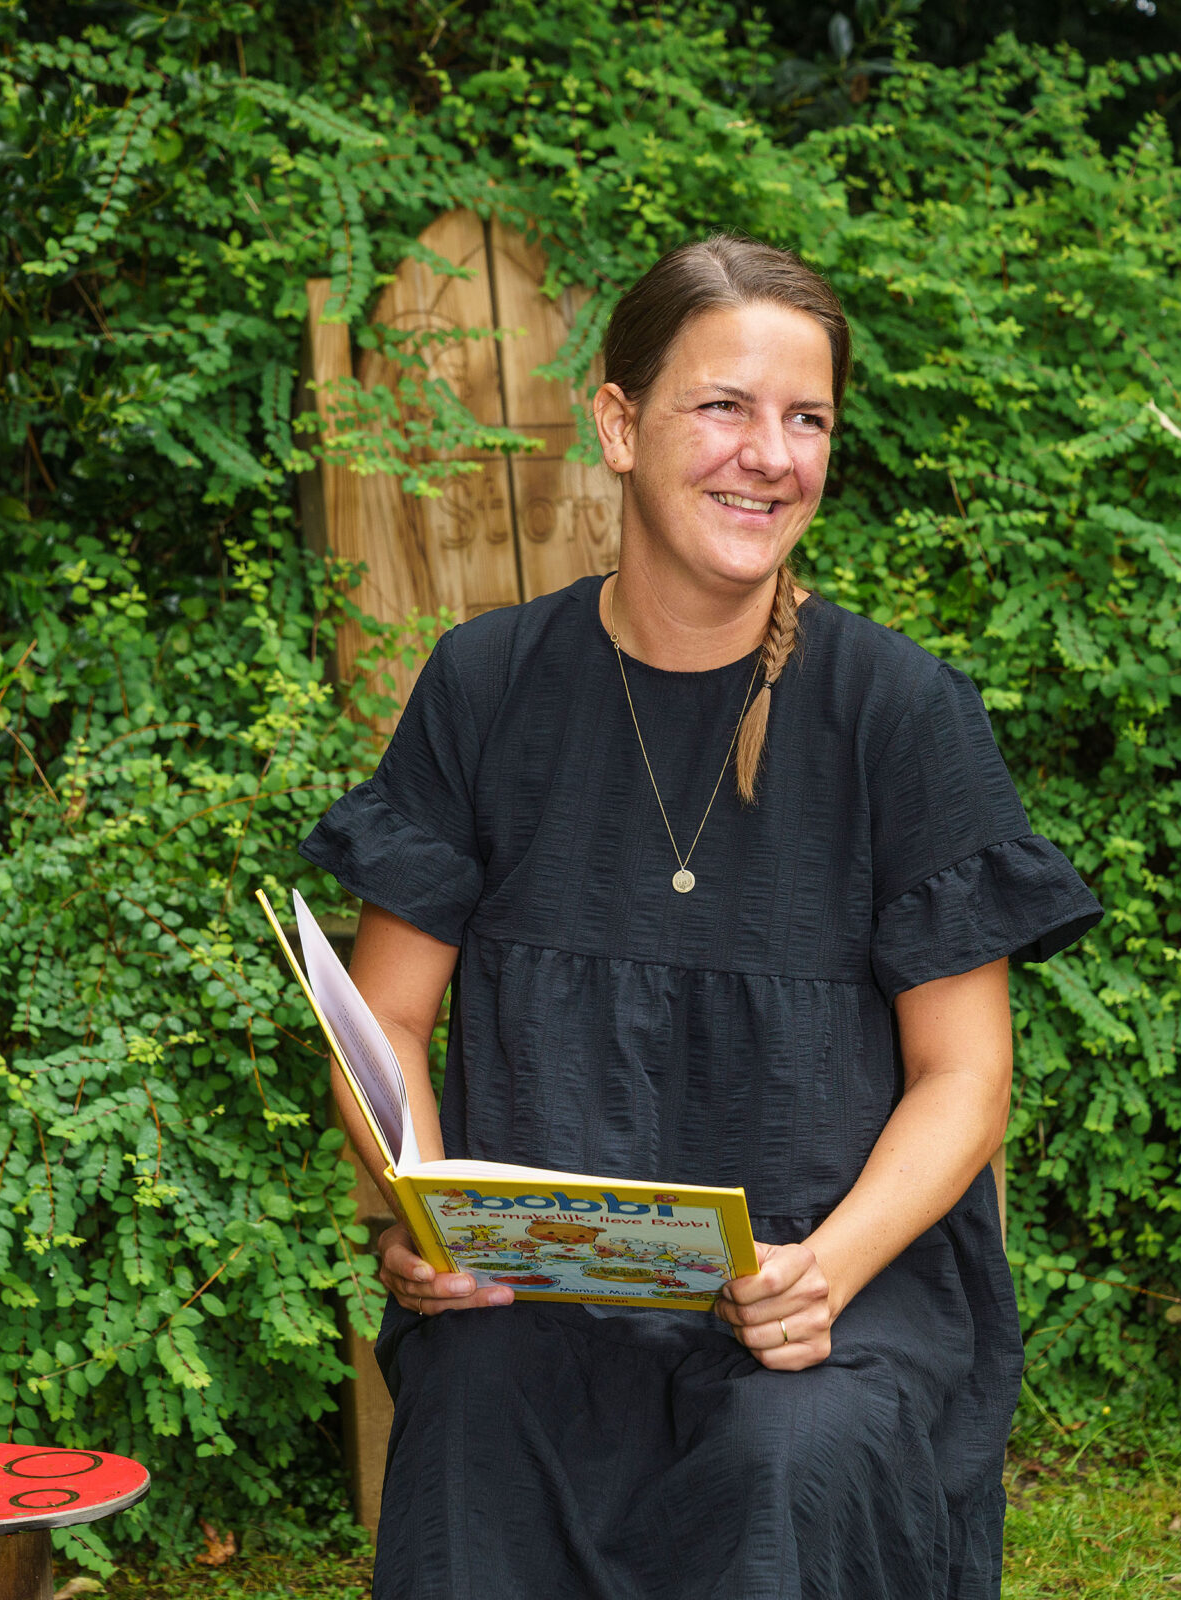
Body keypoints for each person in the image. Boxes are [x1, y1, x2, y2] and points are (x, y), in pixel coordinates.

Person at [300, 235, 1102, 1600]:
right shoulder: (486, 690)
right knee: (479, 1409)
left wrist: (825, 1275)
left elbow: (966, 1077)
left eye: (807, 420)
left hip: (835, 1304)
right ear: (617, 423)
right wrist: (424, 1221)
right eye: (723, 406)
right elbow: (385, 1017)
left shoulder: (899, 716)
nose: (769, 456)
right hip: (546, 1296)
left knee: (788, 1459)